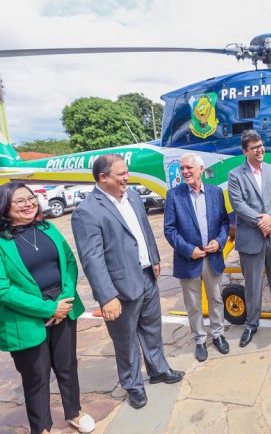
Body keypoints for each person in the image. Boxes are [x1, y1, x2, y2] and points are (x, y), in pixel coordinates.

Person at [71, 154, 184, 410]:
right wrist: (107, 296)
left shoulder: (132, 196)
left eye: (127, 172)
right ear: (103, 177)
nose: (127, 177)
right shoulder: (87, 211)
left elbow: (144, 230)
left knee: (152, 330)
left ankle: (158, 370)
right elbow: (92, 259)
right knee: (126, 341)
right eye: (121, 174)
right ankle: (133, 386)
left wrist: (154, 258)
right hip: (120, 289)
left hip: (146, 277)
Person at [0, 182, 95, 434]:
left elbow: (69, 263)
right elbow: (3, 289)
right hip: (27, 319)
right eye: (19, 201)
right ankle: (41, 428)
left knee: (67, 366)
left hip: (63, 309)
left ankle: (74, 412)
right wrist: (48, 309)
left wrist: (63, 301)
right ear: (5, 207)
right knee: (36, 377)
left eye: (30, 198)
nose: (28, 203)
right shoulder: (1, 243)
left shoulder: (48, 228)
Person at [228, 130, 271, 347]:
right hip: (252, 237)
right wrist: (261, 222)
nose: (260, 150)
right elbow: (238, 204)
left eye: (261, 145)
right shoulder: (235, 175)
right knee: (253, 284)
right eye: (255, 147)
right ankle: (251, 324)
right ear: (245, 151)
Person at [164, 153, 230, 361]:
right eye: (182, 168)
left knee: (216, 299)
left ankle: (218, 334)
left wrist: (219, 242)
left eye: (188, 168)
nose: (184, 172)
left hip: (212, 258)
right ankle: (200, 340)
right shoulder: (174, 195)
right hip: (188, 259)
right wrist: (188, 249)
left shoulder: (215, 192)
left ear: (201, 169)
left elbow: (224, 223)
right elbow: (170, 230)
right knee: (193, 304)